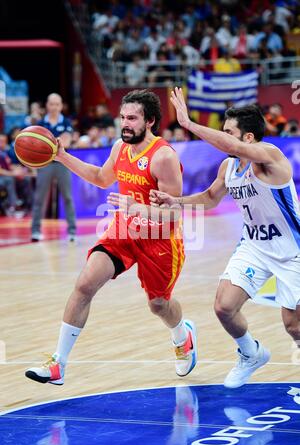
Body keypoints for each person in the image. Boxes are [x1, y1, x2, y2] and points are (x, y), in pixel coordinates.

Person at [25, 89, 197, 385]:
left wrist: (138, 206)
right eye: (122, 117)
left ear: (150, 121)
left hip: (160, 240)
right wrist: (62, 155)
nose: (125, 123)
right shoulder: (120, 146)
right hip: (123, 230)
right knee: (84, 284)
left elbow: (173, 214)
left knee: (158, 305)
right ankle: (58, 364)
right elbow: (101, 178)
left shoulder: (164, 157)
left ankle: (183, 335)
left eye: (132, 118)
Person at [150, 87, 300, 389]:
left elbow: (243, 151)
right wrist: (173, 201)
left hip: (292, 248)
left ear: (246, 137)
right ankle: (251, 353)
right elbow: (209, 198)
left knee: (293, 325)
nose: (223, 136)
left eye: (229, 132)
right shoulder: (229, 166)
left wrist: (190, 125)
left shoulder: (270, 156)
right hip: (254, 246)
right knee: (224, 307)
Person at [31, 93, 76, 242]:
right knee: (39, 198)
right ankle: (35, 231)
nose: (54, 107)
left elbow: (67, 142)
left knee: (68, 197)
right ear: (47, 105)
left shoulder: (67, 122)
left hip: (63, 163)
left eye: (57, 104)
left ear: (61, 106)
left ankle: (72, 232)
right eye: (52, 104)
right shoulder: (41, 123)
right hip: (45, 164)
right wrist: (56, 142)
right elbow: (34, 144)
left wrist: (47, 144)